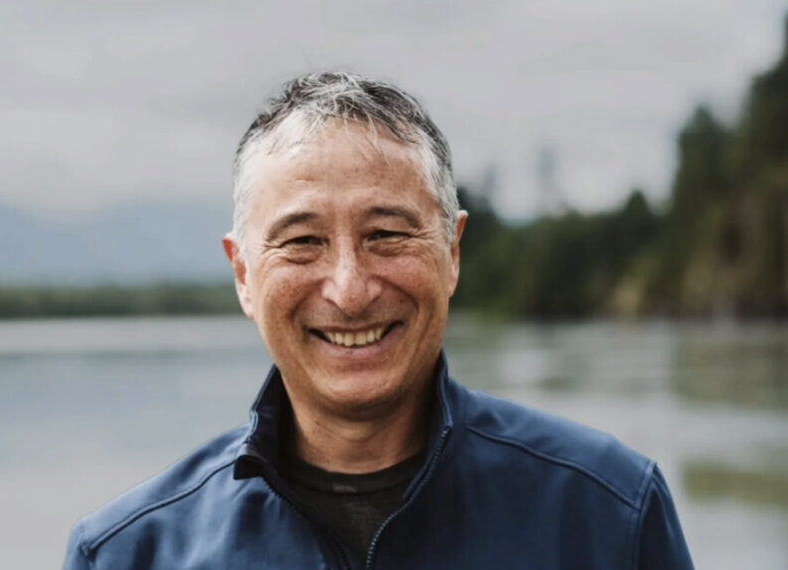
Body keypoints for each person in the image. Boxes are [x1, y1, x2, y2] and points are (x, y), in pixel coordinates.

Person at [63, 71, 694, 569]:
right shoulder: (129, 554)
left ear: (451, 252)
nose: (350, 289)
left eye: (387, 234)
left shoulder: (606, 513)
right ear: (243, 274)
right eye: (302, 241)